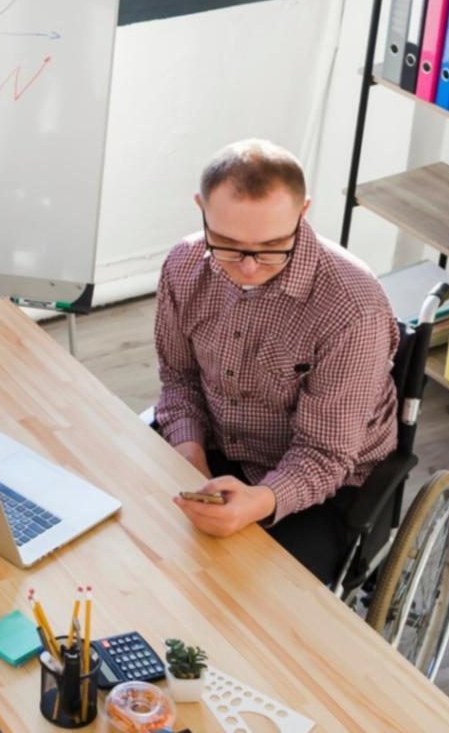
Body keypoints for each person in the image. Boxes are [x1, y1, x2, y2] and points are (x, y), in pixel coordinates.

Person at [155, 140, 400, 582]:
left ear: (303, 212)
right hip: (216, 446)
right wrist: (189, 457)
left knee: (238, 592)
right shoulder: (182, 264)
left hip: (325, 485)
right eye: (227, 244)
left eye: (271, 247)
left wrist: (261, 499)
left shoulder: (353, 309)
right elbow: (179, 378)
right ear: (201, 208)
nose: (248, 267)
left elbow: (324, 453)